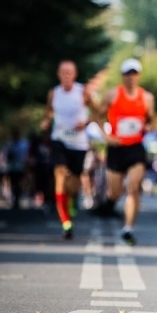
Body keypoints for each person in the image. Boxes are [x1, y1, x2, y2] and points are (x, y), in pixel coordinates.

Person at [96, 58, 156, 246]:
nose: (131, 77)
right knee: (114, 191)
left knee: (133, 187)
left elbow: (150, 121)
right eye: (128, 74)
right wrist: (106, 136)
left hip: (136, 148)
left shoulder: (147, 98)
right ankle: (110, 202)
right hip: (116, 148)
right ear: (123, 76)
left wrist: (147, 127)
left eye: (134, 73)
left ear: (138, 76)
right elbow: (96, 116)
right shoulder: (112, 95)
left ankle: (128, 228)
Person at [41, 60, 98, 239]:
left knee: (73, 186)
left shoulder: (83, 92)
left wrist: (86, 122)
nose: (66, 75)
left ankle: (71, 201)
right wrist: (47, 121)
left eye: (69, 72)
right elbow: (49, 112)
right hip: (60, 140)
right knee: (60, 174)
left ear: (75, 75)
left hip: (79, 144)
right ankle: (66, 223)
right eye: (63, 72)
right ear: (59, 74)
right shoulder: (54, 93)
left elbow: (97, 112)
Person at [3, 127, 29, 210]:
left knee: (19, 184)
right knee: (13, 184)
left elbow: (26, 156)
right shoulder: (9, 145)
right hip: (12, 168)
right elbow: (6, 156)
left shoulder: (23, 144)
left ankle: (18, 198)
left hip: (20, 167)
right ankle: (15, 200)